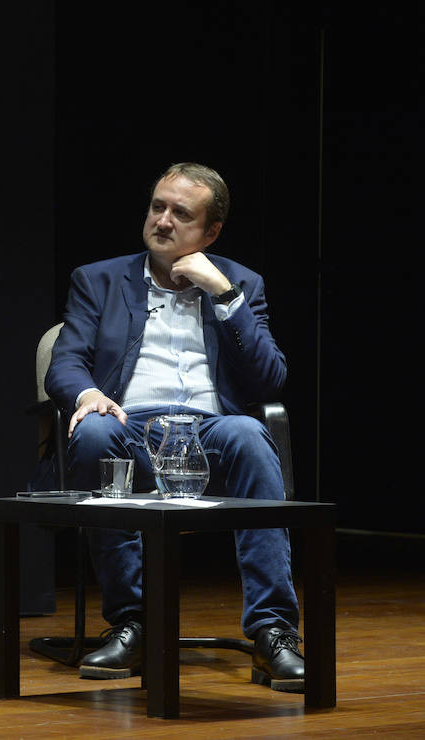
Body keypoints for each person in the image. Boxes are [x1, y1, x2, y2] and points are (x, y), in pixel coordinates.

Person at [45, 162, 304, 692]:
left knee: (253, 434)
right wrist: (89, 393)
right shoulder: (98, 279)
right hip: (128, 426)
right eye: (157, 206)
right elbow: (65, 363)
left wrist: (224, 295)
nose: (162, 221)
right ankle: (133, 622)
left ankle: (273, 631)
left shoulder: (241, 283)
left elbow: (270, 379)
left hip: (211, 432)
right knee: (94, 432)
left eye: (180, 213)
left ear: (210, 233)